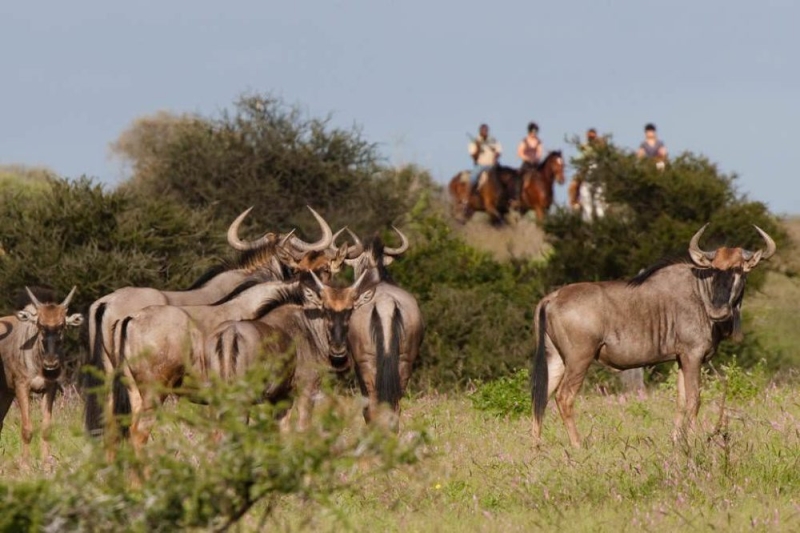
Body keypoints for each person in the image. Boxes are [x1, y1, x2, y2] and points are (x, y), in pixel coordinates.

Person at [468, 124, 502, 191]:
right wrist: (478, 148)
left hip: (492, 164)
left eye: (486, 130)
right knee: (473, 177)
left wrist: (495, 157)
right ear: (480, 131)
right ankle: (469, 193)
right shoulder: (475, 141)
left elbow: (499, 150)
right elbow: (473, 156)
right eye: (483, 130)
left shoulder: (493, 140)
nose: (485, 132)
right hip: (481, 164)